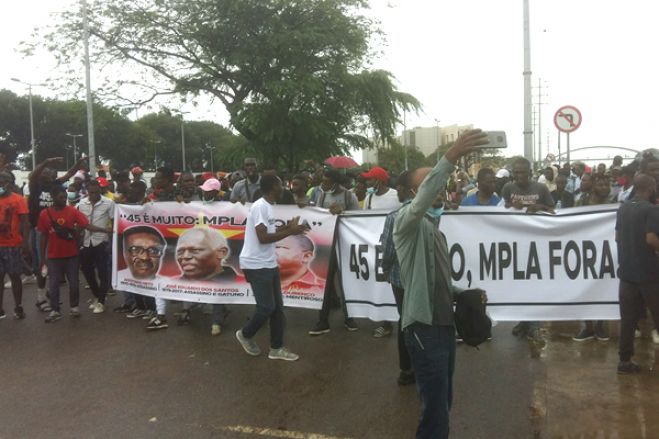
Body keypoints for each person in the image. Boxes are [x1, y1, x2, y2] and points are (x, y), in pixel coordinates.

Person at [393, 129, 488, 439]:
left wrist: (465, 293)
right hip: (423, 328)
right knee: (434, 410)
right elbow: (422, 201)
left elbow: (439, 279)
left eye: (439, 183)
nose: (439, 188)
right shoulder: (405, 223)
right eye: (429, 182)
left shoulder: (436, 231)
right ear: (411, 193)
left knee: (442, 402)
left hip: (444, 327)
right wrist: (449, 158)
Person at [235, 174, 309, 361]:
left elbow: (269, 233)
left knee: (277, 308)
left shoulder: (268, 206)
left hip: (268, 262)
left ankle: (276, 348)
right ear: (273, 187)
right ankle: (245, 334)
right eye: (280, 183)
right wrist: (290, 231)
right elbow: (262, 238)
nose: (283, 186)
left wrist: (292, 230)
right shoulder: (260, 206)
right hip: (256, 264)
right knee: (266, 307)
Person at [37, 185, 111, 323]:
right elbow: (43, 236)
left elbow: (87, 225)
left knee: (74, 283)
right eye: (61, 197)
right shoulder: (44, 214)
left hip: (72, 255)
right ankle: (55, 310)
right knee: (53, 284)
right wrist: (43, 258)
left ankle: (74, 307)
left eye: (65, 197)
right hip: (53, 256)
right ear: (53, 198)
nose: (64, 199)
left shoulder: (72, 211)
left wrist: (105, 230)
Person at [502, 157, 554, 341]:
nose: (519, 176)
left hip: (537, 243)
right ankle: (525, 321)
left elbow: (552, 210)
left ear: (530, 173)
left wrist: (538, 207)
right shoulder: (508, 188)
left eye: (523, 172)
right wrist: (510, 206)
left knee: (535, 284)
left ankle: (534, 325)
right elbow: (501, 210)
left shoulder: (541, 189)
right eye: (516, 173)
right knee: (520, 284)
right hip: (516, 243)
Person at [615, 174, 659, 374]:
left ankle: (624, 361)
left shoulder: (623, 208)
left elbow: (616, 237)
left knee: (628, 320)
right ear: (650, 189)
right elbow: (651, 239)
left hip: (626, 273)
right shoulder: (651, 210)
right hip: (649, 274)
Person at [309, 168, 360, 334]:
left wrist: (342, 212)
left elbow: (357, 218)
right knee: (324, 284)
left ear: (335, 182)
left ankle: (349, 317)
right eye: (323, 181)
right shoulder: (321, 195)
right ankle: (322, 320)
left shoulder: (348, 196)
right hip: (327, 246)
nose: (323, 184)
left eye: (326, 181)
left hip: (344, 244)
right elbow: (317, 216)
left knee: (346, 282)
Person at [380, 170, 415, 386]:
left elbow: (389, 249)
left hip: (400, 278)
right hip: (421, 277)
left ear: (403, 189)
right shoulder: (431, 212)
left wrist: (384, 267)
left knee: (405, 321)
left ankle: (406, 369)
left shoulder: (394, 217)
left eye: (398, 189)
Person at [572, 174, 614, 341]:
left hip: (606, 252)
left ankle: (600, 326)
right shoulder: (581, 201)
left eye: (607, 184)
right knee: (584, 290)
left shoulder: (613, 205)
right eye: (601, 184)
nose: (605, 187)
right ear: (593, 186)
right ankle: (588, 327)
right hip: (584, 250)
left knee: (603, 288)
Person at [175, 227, 236, 330]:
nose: (185, 256)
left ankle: (217, 320)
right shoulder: (176, 282)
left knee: (217, 290)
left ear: (221, 252)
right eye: (181, 251)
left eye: (196, 250)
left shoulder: (236, 281)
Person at [77, 180, 115, 314]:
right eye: (91, 192)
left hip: (101, 242)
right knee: (87, 271)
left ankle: (101, 301)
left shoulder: (109, 203)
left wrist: (111, 240)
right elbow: (79, 222)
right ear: (87, 191)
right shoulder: (81, 203)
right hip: (86, 242)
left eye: (96, 192)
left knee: (103, 272)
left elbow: (114, 221)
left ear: (100, 190)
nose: (94, 195)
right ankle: (97, 295)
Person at [0, 171, 31, 320]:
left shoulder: (18, 199)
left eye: (2, 182)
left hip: (13, 244)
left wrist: (25, 243)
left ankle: (18, 306)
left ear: (8, 183)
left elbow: (25, 223)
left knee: (14, 276)